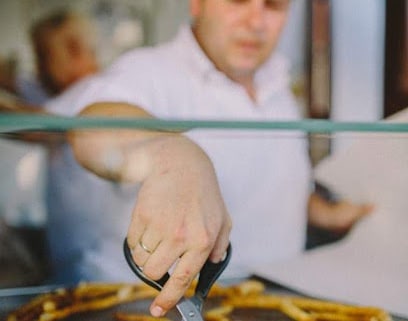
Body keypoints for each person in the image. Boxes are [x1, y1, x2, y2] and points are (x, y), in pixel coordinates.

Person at [8, 0, 371, 317]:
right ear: (197, 3)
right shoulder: (146, 71)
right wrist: (172, 154)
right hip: (143, 307)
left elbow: (272, 177)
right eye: (238, 0)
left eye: (273, 5)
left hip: (275, 302)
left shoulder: (279, 87)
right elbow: (90, 130)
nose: (256, 21)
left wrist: (324, 212)